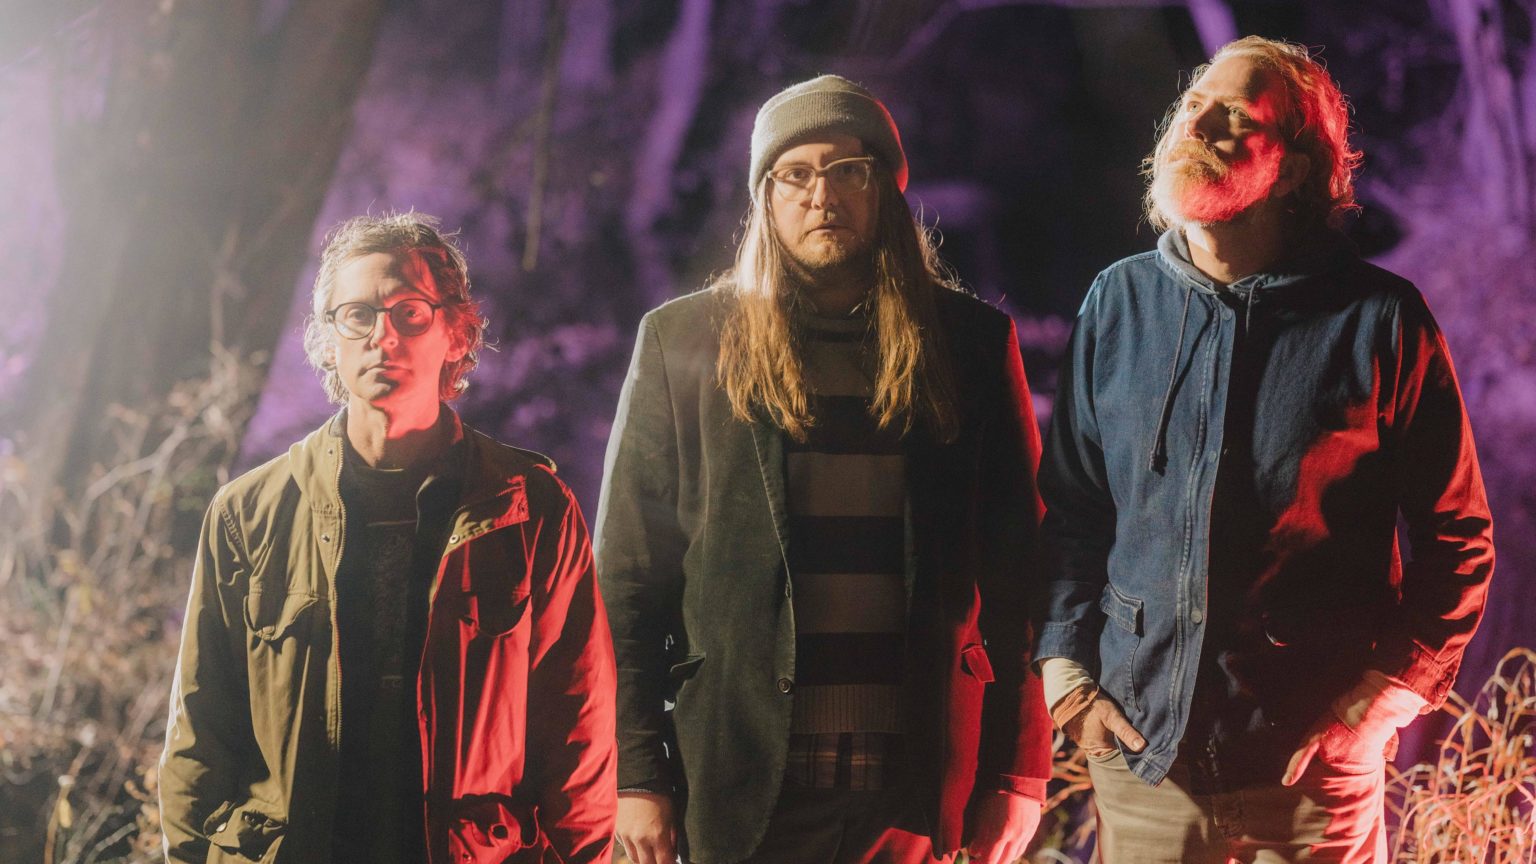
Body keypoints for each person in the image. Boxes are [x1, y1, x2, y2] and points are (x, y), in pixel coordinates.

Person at [1035, 36, 1495, 863]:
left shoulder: (1380, 320)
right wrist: (1068, 680)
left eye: (1235, 117)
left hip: (1312, 782)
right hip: (1143, 771)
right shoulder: (1118, 303)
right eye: (1193, 105)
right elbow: (1073, 513)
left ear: (1290, 170)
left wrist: (1381, 701)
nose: (1197, 124)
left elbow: (1458, 539)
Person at [595, 74, 1051, 864]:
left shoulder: (970, 345)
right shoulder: (682, 342)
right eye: (796, 174)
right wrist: (634, 771)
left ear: (886, 191)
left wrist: (1017, 771)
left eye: (849, 171)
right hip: (738, 772)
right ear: (765, 198)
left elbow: (1024, 574)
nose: (822, 194)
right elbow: (630, 579)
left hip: (910, 782)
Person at [159, 213, 616, 864]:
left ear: (457, 334)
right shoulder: (248, 513)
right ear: (328, 340)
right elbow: (201, 734)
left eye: (410, 313)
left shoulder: (529, 509)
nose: (383, 337)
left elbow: (578, 736)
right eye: (358, 315)